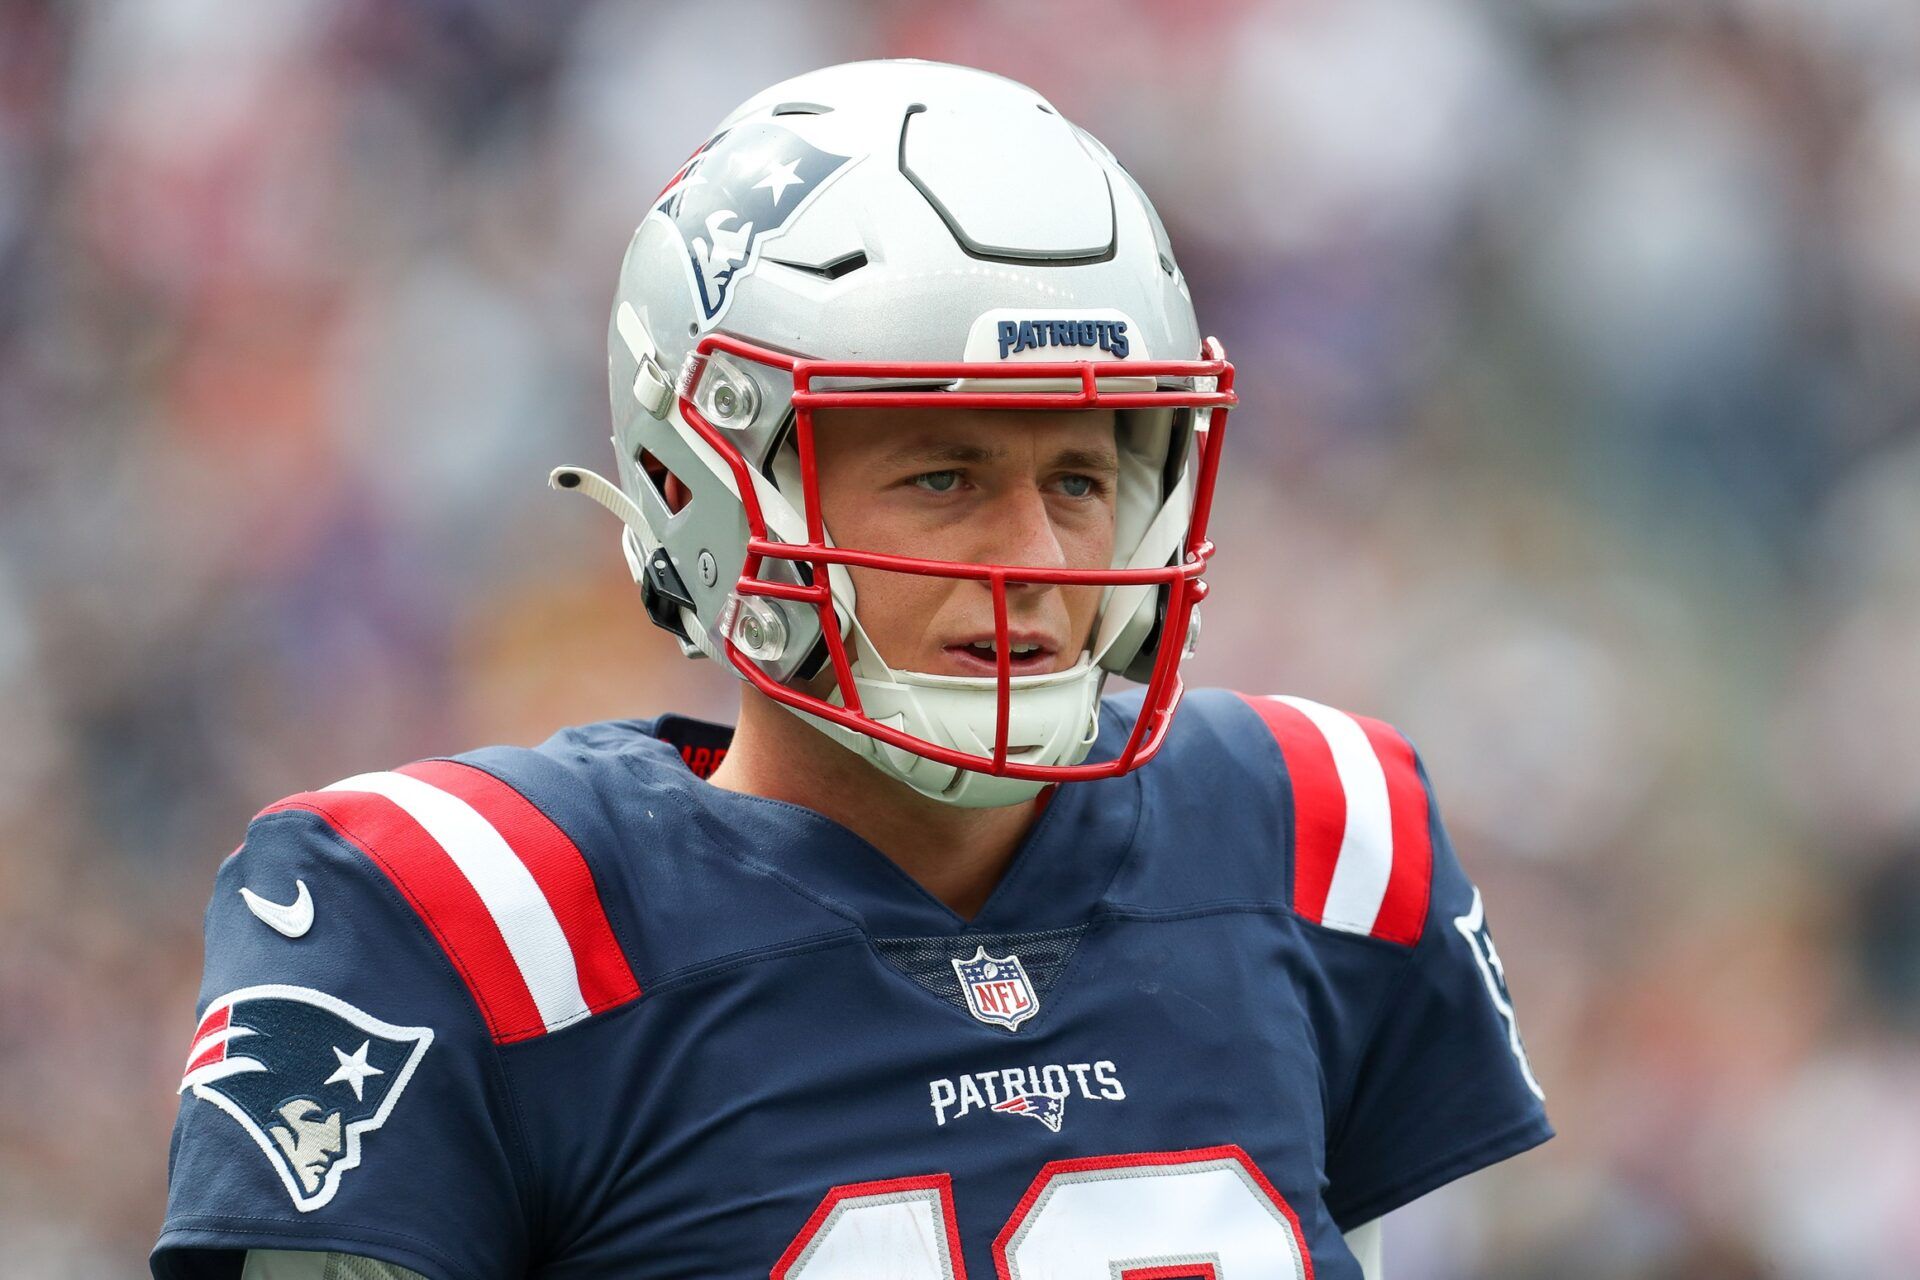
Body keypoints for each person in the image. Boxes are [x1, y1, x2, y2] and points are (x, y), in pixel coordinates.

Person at [152, 60, 1550, 1280]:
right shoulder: (471, 926)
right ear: (704, 483)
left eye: (1079, 475)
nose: (1036, 553)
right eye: (944, 475)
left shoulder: (1317, 839)